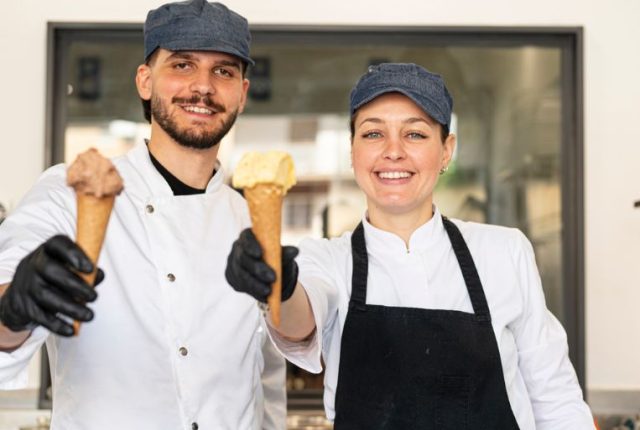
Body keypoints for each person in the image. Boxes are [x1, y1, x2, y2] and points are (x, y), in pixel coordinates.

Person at [226, 63, 596, 429]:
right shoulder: (326, 259)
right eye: (373, 134)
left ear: (446, 150)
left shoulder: (503, 251)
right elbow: (297, 321)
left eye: (415, 135)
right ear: (352, 151)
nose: (393, 151)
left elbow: (554, 396)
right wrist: (281, 285)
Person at [0, 1, 286, 429]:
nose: (203, 87)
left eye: (224, 71)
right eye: (183, 65)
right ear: (146, 81)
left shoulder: (251, 221)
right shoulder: (70, 192)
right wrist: (13, 309)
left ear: (242, 94)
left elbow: (266, 381)